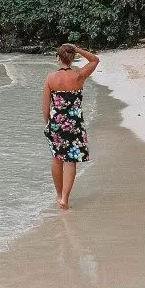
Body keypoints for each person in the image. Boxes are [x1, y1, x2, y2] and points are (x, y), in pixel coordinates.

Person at [42, 43, 99, 209]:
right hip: (74, 123)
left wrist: (48, 124)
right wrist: (78, 49)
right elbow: (95, 60)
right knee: (70, 160)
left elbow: (45, 107)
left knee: (56, 158)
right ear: (73, 58)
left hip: (56, 123)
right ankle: (65, 198)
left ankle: (59, 194)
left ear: (58, 58)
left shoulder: (50, 78)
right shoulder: (79, 75)